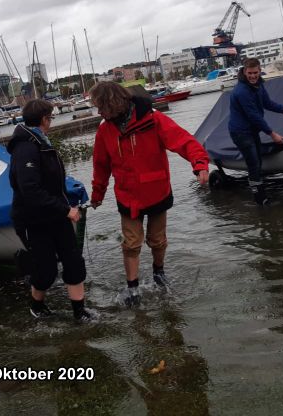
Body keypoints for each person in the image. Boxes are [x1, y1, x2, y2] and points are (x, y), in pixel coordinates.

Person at [89, 81, 209, 307]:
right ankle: (132, 288)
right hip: (127, 195)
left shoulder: (152, 119)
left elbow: (183, 140)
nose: (99, 112)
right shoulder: (105, 129)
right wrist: (98, 194)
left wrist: (200, 163)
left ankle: (158, 273)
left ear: (112, 102)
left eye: (100, 106)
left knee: (158, 239)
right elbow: (101, 165)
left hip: (156, 191)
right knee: (132, 243)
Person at [7, 99, 92, 322]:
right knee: (46, 271)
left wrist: (65, 206)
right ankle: (36, 306)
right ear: (45, 119)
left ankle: (79, 312)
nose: (51, 121)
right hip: (33, 220)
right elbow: (30, 190)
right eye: (51, 117)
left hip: (55, 214)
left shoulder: (42, 142)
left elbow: (53, 182)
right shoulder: (25, 147)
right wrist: (65, 210)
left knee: (73, 261)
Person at [228, 57, 283, 205]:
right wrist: (272, 134)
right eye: (250, 73)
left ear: (260, 71)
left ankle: (260, 188)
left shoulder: (258, 85)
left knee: (258, 161)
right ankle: (260, 200)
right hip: (240, 132)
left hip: (251, 130)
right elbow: (254, 116)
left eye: (255, 72)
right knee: (254, 163)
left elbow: (267, 103)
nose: (253, 76)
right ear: (244, 71)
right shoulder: (241, 91)